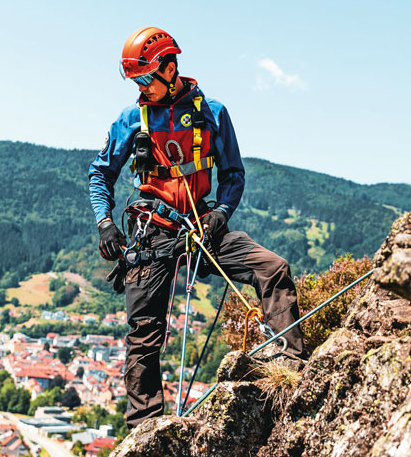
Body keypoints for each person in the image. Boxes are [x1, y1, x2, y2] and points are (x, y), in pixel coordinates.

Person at [88, 27, 306, 429]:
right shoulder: (130, 119)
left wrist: (221, 213)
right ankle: (144, 428)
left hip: (199, 224)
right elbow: (99, 175)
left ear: (169, 68)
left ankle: (292, 370)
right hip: (150, 229)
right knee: (144, 332)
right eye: (134, 81)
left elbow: (233, 174)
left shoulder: (212, 113)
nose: (140, 88)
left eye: (145, 79)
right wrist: (105, 223)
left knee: (272, 268)